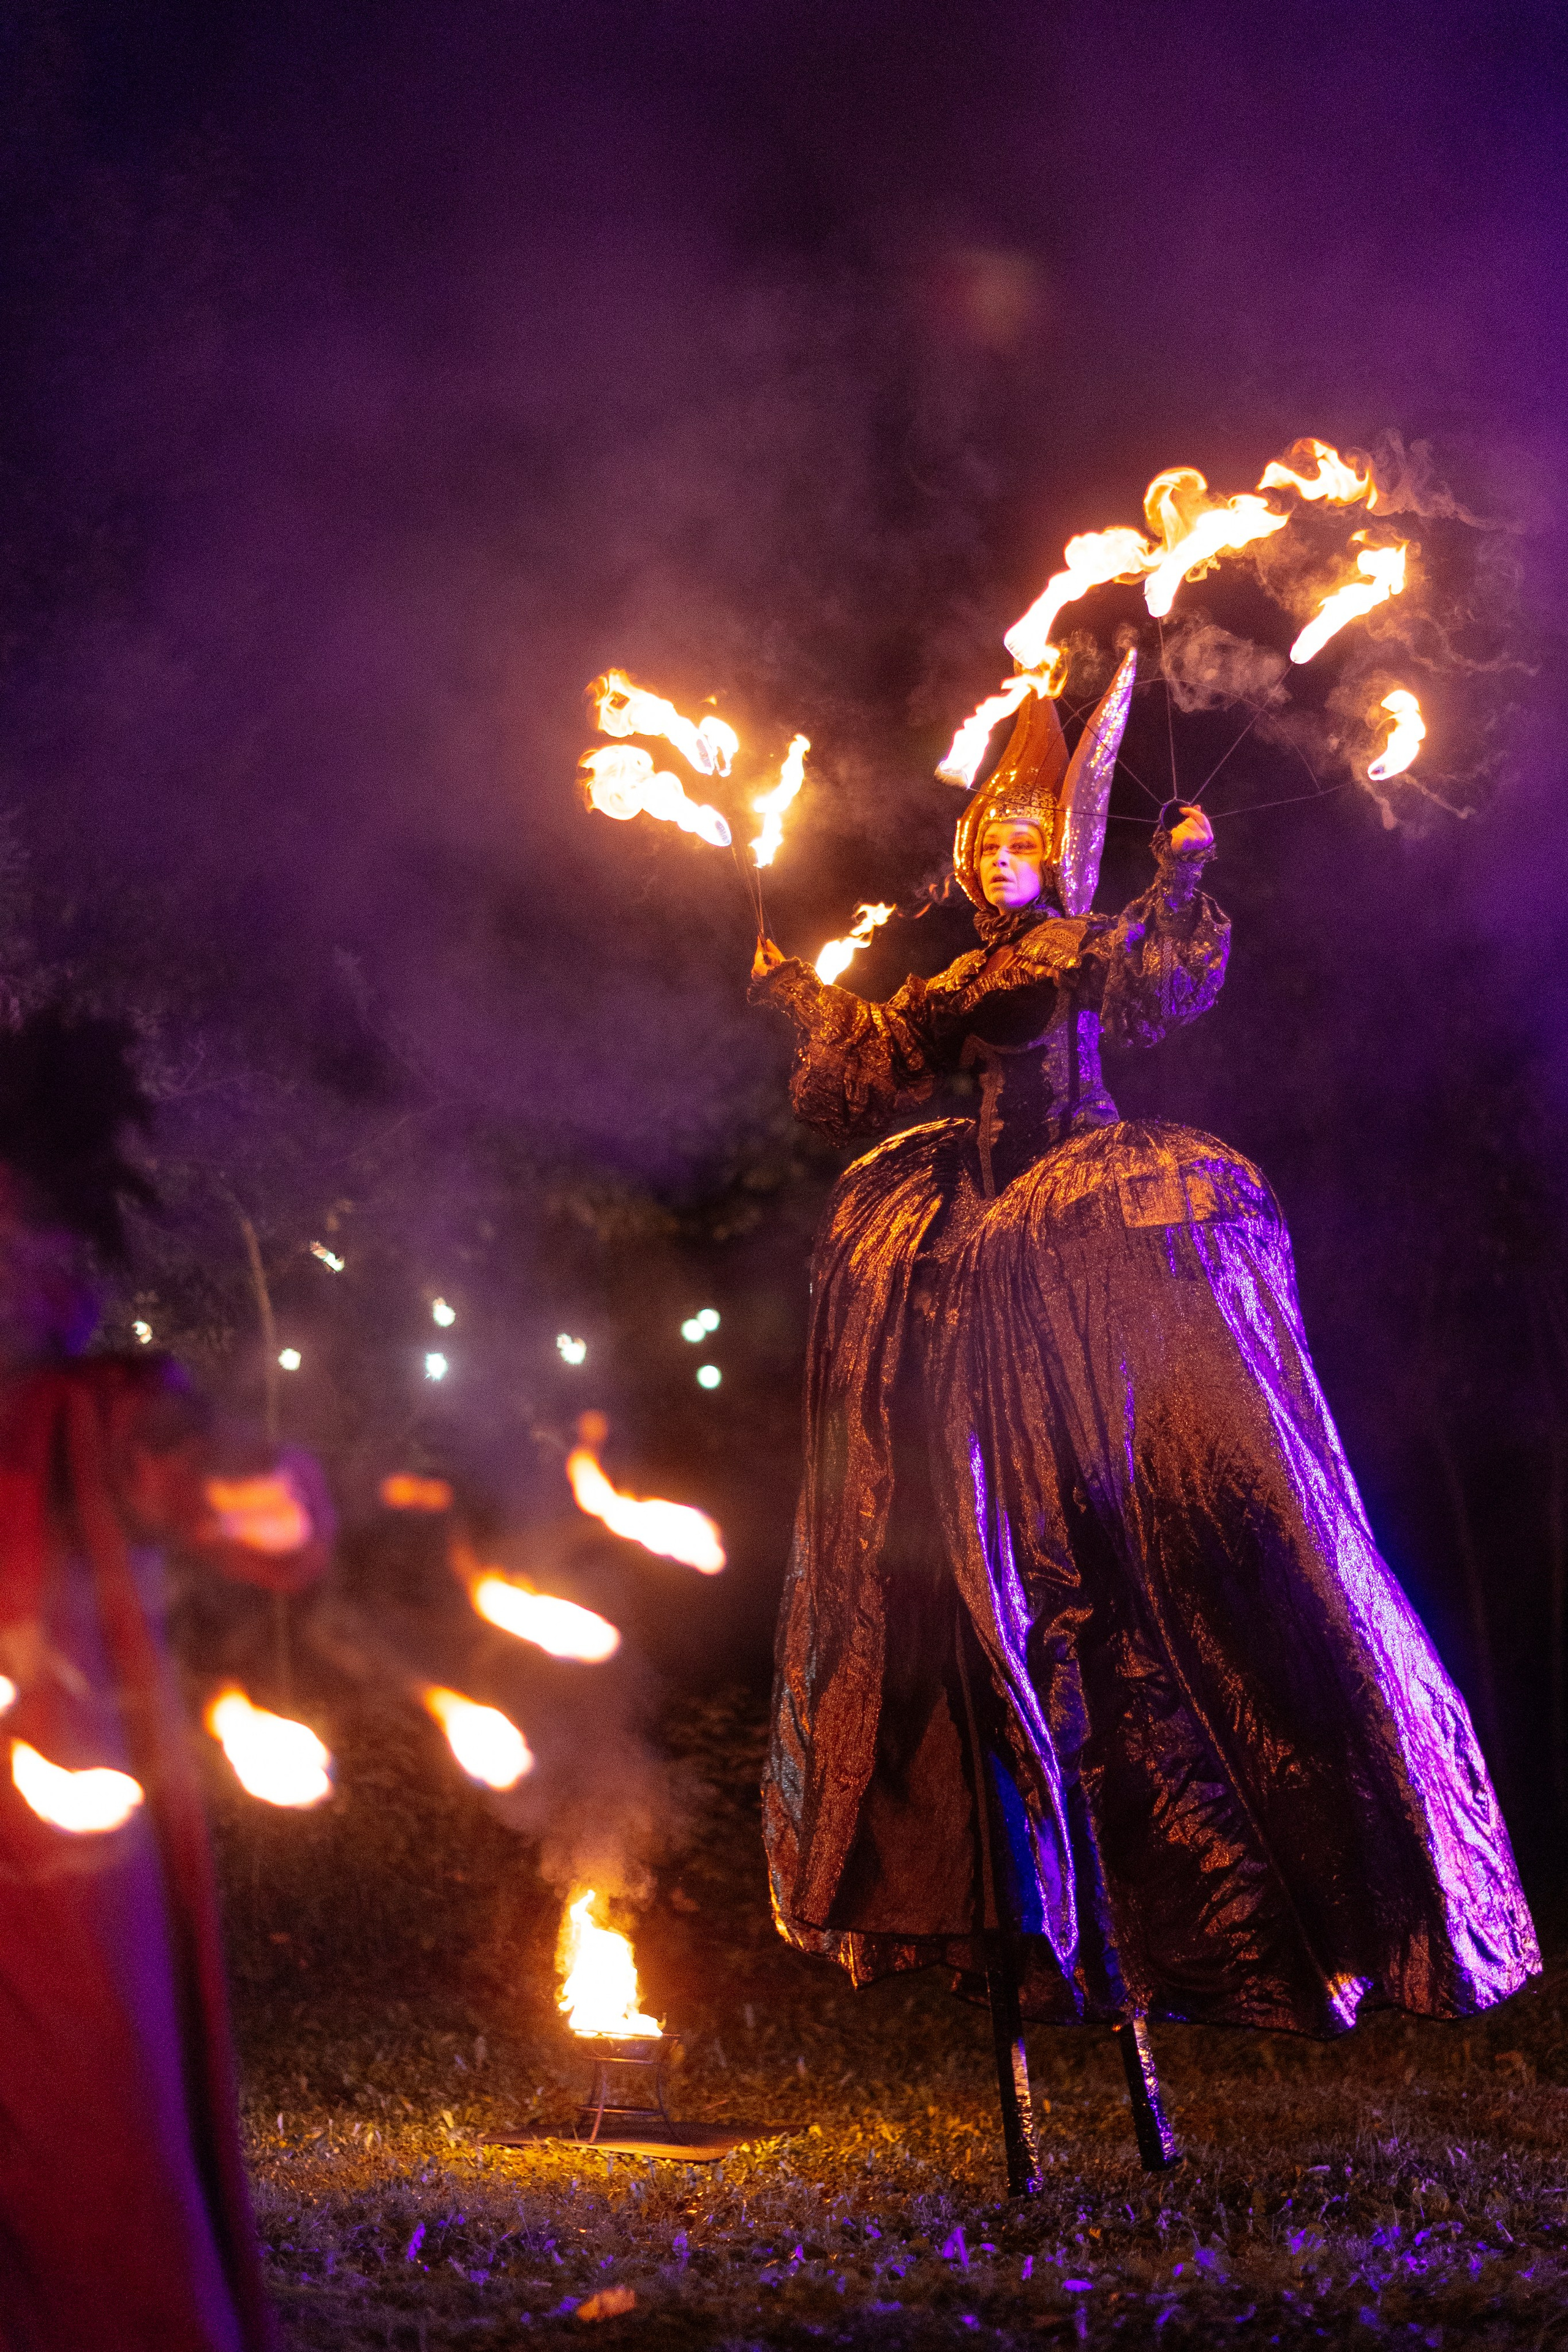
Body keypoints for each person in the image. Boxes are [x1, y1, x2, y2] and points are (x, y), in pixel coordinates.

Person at [750, 655, 1538, 2171]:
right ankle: (1020, 1971)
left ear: (1059, 850)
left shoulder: (1088, 938)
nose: (1000, 856)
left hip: (1088, 1252)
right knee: (955, 1585)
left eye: (1023, 840)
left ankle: (1215, 1926)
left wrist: (1181, 872)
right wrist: (797, 992)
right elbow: (852, 1089)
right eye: (983, 842)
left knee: (1138, 1571)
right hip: (956, 1272)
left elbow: (1159, 979)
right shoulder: (943, 982)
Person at [0, 1009, 328, 2351]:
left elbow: (229, 1501)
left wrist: (253, 1500)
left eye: (32, 1236)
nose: (30, 1265)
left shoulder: (90, 1411)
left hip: (51, 1888)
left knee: (86, 2191)